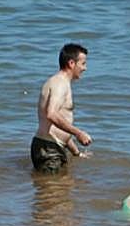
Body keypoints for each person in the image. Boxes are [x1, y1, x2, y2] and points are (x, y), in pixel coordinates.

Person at [31, 43, 91, 173]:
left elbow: (59, 125)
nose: (85, 68)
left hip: (51, 147)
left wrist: (76, 152)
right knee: (52, 186)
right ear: (71, 63)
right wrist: (79, 133)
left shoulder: (61, 83)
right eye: (83, 63)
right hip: (49, 149)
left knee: (61, 185)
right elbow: (51, 114)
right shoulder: (59, 84)